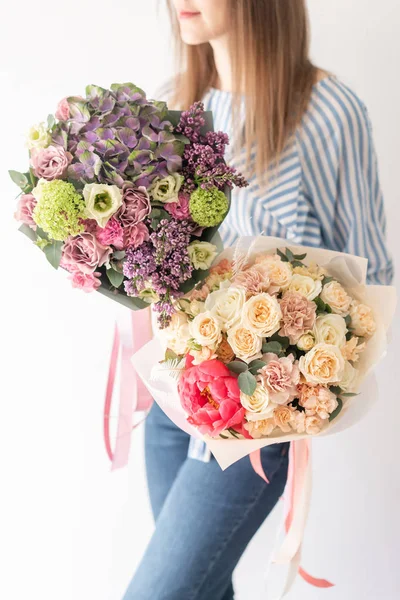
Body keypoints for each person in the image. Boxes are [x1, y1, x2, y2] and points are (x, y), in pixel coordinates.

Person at [123, 1, 393, 599]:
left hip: (253, 424)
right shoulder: (175, 103)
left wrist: (305, 380)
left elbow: (372, 274)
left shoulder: (328, 113)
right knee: (202, 590)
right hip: (173, 402)